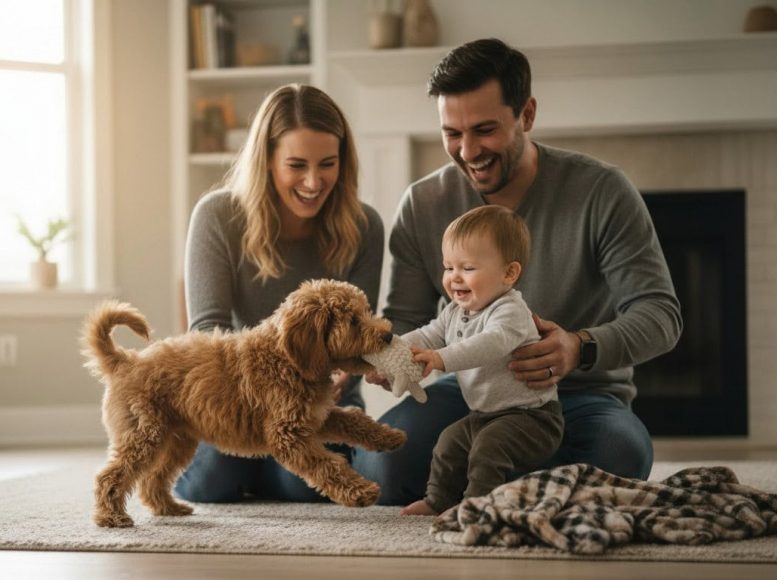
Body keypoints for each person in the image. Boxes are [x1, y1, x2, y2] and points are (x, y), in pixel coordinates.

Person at [355, 38, 682, 506]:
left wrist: (578, 346)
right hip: (471, 396)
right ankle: (514, 483)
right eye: (452, 133)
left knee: (620, 454)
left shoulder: (601, 191)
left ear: (526, 115)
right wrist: (395, 360)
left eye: (484, 130)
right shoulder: (424, 204)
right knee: (384, 463)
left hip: (579, 397)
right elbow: (406, 320)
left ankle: (489, 481)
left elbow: (660, 315)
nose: (467, 151)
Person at [174, 84, 384, 503]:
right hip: (235, 404)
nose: (313, 181)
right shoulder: (217, 216)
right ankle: (252, 468)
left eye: (327, 164)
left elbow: (359, 336)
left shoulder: (364, 226)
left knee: (304, 487)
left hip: (320, 405)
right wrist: (273, 390)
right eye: (296, 165)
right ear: (267, 161)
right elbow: (207, 330)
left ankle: (268, 472)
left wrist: (340, 373)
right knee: (209, 483)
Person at [398, 205, 564, 516]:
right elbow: (430, 333)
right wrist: (392, 349)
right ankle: (438, 500)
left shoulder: (510, 311)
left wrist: (440, 358)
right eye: (449, 267)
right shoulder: (455, 311)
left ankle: (477, 506)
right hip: (485, 414)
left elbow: (489, 344)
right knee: (449, 443)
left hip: (533, 418)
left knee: (488, 450)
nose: (454, 278)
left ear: (509, 273)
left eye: (468, 268)